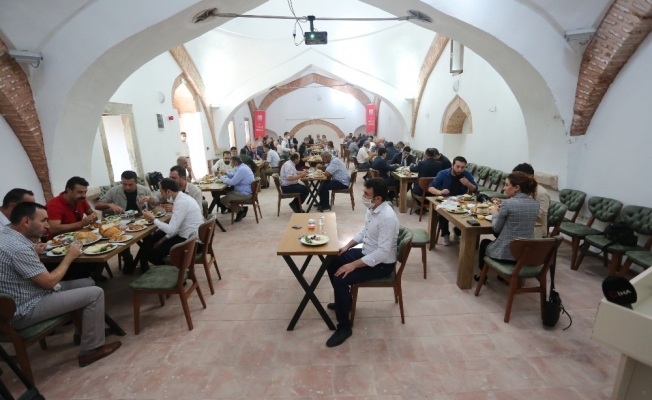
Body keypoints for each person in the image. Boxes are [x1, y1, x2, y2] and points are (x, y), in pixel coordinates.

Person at [0, 202, 122, 367]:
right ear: (26, 221)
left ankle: (85, 332)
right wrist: (69, 257)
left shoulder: (7, 236)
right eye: (43, 220)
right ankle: (90, 350)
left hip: (25, 296)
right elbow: (49, 282)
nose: (47, 225)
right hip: (24, 309)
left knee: (87, 282)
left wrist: (34, 250)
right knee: (95, 293)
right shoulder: (18, 248)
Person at [325, 178, 399, 347]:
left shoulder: (387, 218)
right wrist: (347, 246)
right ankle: (345, 302)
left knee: (341, 278)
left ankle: (344, 327)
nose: (363, 196)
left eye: (366, 194)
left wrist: (353, 265)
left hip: (381, 264)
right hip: (368, 252)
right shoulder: (373, 208)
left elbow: (382, 253)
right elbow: (364, 231)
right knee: (332, 260)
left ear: (378, 198)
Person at [475, 172, 539, 282]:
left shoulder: (508, 204)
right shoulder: (535, 203)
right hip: (524, 253)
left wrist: (495, 214)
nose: (504, 188)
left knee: (485, 243)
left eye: (506, 185)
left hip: (508, 253)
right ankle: (503, 277)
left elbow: (496, 229)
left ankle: (482, 276)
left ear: (517, 188)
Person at [95, 171, 157, 273]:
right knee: (120, 238)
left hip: (142, 220)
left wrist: (150, 201)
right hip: (122, 222)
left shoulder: (144, 190)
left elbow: (154, 206)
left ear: (136, 182)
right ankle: (128, 259)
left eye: (130, 184)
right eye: (124, 184)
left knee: (149, 237)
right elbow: (97, 205)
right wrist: (109, 205)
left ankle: (143, 259)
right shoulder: (114, 190)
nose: (127, 187)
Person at [142, 179, 204, 266]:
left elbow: (171, 229)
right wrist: (164, 239)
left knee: (151, 254)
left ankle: (173, 271)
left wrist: (153, 219)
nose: (161, 195)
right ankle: (170, 268)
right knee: (156, 239)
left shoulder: (181, 202)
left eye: (161, 192)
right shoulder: (182, 198)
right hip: (189, 237)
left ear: (168, 192)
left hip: (192, 243)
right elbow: (177, 228)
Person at [427, 156, 478, 245]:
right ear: (452, 165)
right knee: (442, 214)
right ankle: (445, 234)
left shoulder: (467, 174)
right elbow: (430, 188)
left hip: (460, 201)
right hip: (445, 201)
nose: (460, 170)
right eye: (457, 167)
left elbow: (475, 190)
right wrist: (440, 192)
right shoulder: (443, 173)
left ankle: (457, 231)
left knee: (470, 214)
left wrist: (468, 183)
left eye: (462, 167)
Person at [511, 163, 549, 238]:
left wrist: (519, 209)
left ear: (530, 177)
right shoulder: (521, 188)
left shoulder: (542, 193)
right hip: (520, 223)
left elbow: (541, 215)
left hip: (535, 229)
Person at [218, 156, 255, 222]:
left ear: (235, 163)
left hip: (245, 194)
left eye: (231, 162)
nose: (231, 164)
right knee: (228, 194)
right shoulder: (243, 167)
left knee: (223, 200)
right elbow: (235, 176)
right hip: (246, 191)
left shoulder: (241, 169)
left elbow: (232, 182)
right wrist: (226, 173)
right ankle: (242, 209)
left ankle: (240, 211)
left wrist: (221, 177)